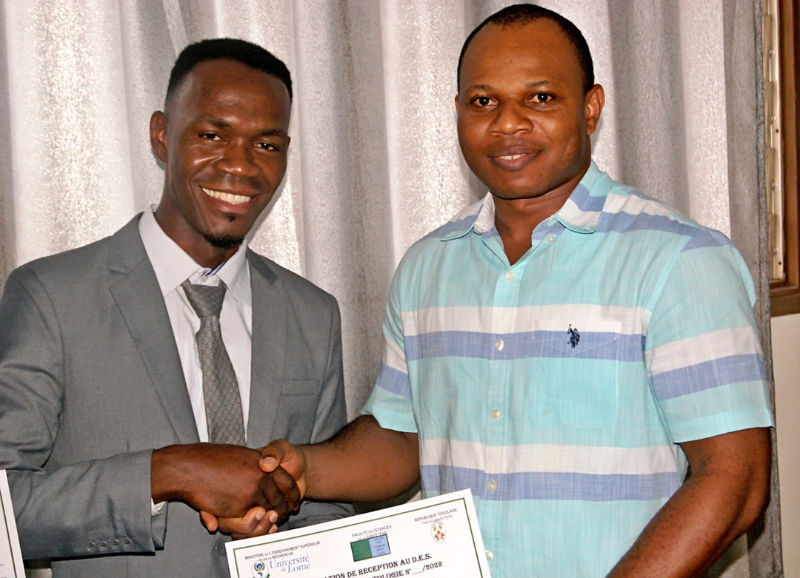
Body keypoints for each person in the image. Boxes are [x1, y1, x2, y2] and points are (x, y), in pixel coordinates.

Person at [215, 5, 774, 577]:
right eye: (484, 102)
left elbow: (734, 480)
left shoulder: (679, 259)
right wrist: (303, 468)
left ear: (590, 107)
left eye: (540, 98)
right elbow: (404, 438)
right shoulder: (427, 267)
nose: (508, 124)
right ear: (458, 110)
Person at [0, 38, 351, 577]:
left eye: (266, 144)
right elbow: (7, 503)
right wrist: (168, 472)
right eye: (212, 135)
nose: (241, 165)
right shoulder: (51, 297)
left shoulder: (313, 315)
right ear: (161, 135)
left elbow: (329, 510)